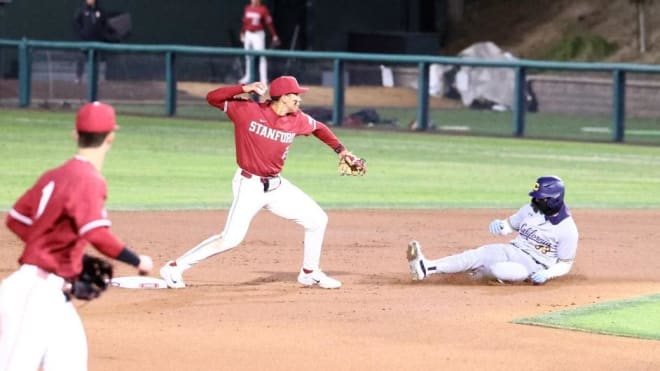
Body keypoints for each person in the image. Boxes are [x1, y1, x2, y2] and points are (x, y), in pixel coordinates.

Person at [160, 76, 365, 289]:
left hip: (276, 186)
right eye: (295, 95)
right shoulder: (248, 110)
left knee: (317, 220)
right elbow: (212, 98)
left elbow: (319, 128)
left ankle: (309, 272)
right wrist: (243, 88)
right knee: (230, 239)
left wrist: (341, 151)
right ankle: (174, 267)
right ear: (283, 97)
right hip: (249, 184)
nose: (299, 99)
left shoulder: (297, 118)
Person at [0, 101, 153, 371]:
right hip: (33, 290)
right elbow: (96, 233)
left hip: (52, 291)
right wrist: (137, 260)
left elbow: (17, 220)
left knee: (69, 359)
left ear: (75, 134)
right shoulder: (89, 179)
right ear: (111, 137)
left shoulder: (55, 175)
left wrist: (58, 250)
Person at [406, 175, 579, 285]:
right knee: (477, 255)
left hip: (533, 267)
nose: (535, 201)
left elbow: (565, 263)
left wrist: (547, 274)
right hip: (512, 249)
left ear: (554, 200)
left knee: (497, 270)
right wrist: (501, 226)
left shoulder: (567, 229)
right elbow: (510, 225)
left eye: (540, 199)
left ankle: (473, 276)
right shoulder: (529, 209)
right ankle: (426, 267)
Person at [238, 0, 280, 84]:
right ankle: (248, 77)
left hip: (258, 35)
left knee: (261, 57)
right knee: (248, 56)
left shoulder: (263, 9)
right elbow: (245, 23)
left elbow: (269, 23)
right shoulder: (247, 8)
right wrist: (242, 32)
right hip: (248, 34)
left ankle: (263, 80)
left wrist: (274, 35)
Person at [72, 0, 109, 83]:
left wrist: (102, 35)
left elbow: (104, 24)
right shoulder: (81, 10)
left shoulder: (100, 11)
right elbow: (76, 23)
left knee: (96, 60)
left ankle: (95, 78)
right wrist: (81, 34)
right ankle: (78, 77)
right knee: (81, 58)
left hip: (96, 41)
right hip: (84, 41)